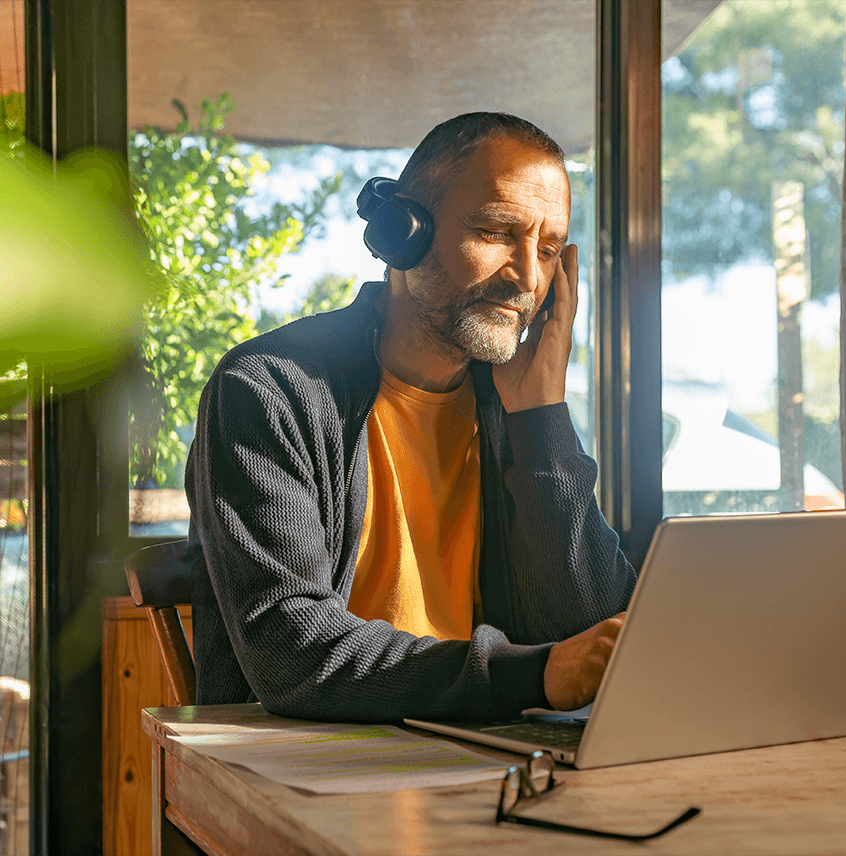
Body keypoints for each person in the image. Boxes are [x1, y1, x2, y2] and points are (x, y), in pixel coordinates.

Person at [186, 112, 636, 722]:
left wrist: (541, 419)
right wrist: (528, 674)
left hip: (475, 749)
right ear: (403, 232)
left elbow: (590, 630)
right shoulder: (270, 388)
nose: (528, 278)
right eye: (496, 232)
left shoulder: (509, 405)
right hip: (308, 762)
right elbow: (290, 651)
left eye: (549, 249)